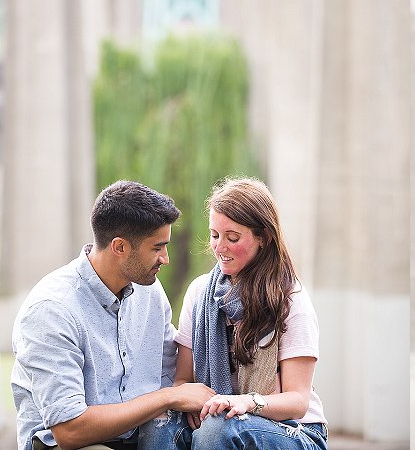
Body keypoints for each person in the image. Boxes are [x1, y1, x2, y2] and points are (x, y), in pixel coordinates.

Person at [11, 180, 216, 450]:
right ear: (119, 247)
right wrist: (169, 398)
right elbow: (70, 430)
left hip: (143, 435)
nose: (165, 258)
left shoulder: (149, 291)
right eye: (157, 247)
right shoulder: (52, 310)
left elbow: (169, 373)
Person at [139, 177, 328, 450]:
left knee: (217, 429)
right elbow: (182, 379)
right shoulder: (200, 293)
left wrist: (245, 402)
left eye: (233, 237)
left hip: (294, 430)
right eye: (215, 235)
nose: (220, 247)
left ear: (263, 237)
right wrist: (190, 402)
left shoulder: (290, 299)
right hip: (219, 419)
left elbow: (298, 402)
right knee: (158, 424)